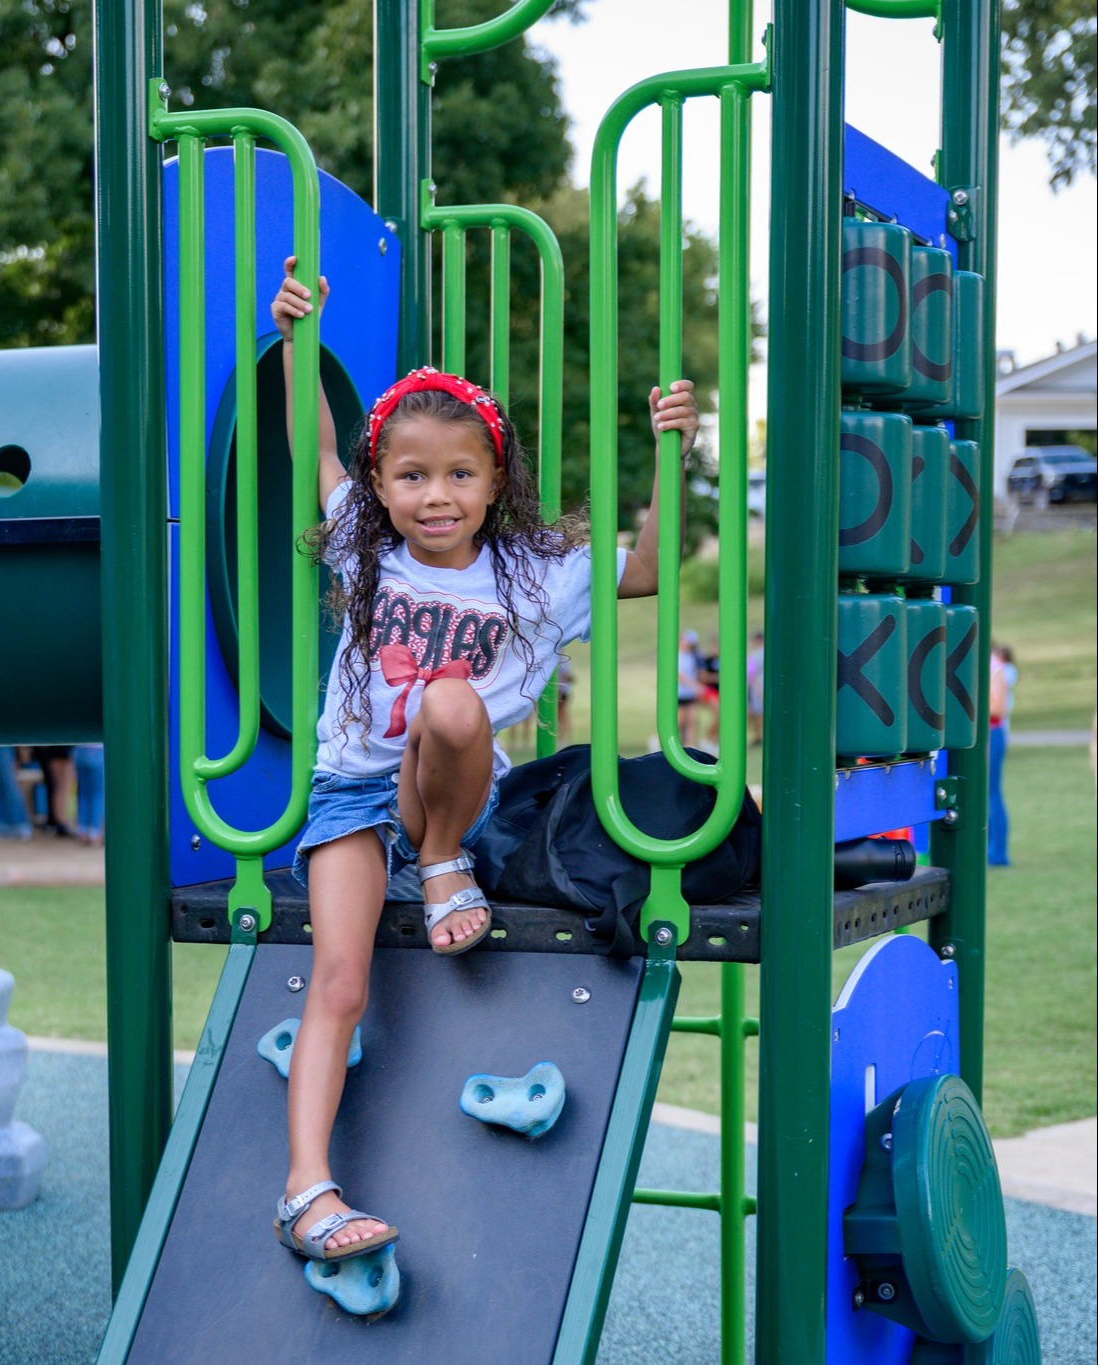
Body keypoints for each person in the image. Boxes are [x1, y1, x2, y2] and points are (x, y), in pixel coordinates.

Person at [267, 258, 699, 1264]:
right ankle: (306, 1191)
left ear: (494, 483)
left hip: (453, 804)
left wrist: (670, 451)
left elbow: (644, 572)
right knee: (338, 977)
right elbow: (314, 447)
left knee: (452, 702)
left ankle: (443, 861)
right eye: (411, 476)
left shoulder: (534, 574)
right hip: (351, 799)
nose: (436, 496)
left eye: (460, 475)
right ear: (380, 487)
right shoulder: (364, 546)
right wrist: (296, 343)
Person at [988, 642, 1016, 867]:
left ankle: (997, 852)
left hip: (991, 734)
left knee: (991, 793)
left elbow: (998, 708)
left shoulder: (995, 667)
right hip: (980, 735)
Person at [74, 743, 106, 846]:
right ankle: (95, 834)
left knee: (83, 794)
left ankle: (82, 832)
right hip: (98, 750)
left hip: (80, 751)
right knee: (98, 794)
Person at [677, 630, 701, 746]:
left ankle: (690, 745)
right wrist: (694, 685)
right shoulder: (677, 656)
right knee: (679, 722)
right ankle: (658, 741)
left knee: (692, 721)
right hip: (680, 693)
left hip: (690, 693)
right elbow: (679, 675)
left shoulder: (691, 656)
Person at [746, 630, 764, 748]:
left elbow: (751, 674)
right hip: (763, 684)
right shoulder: (770, 652)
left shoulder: (755, 655)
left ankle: (760, 735)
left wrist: (757, 690)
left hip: (757, 686)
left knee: (758, 713)